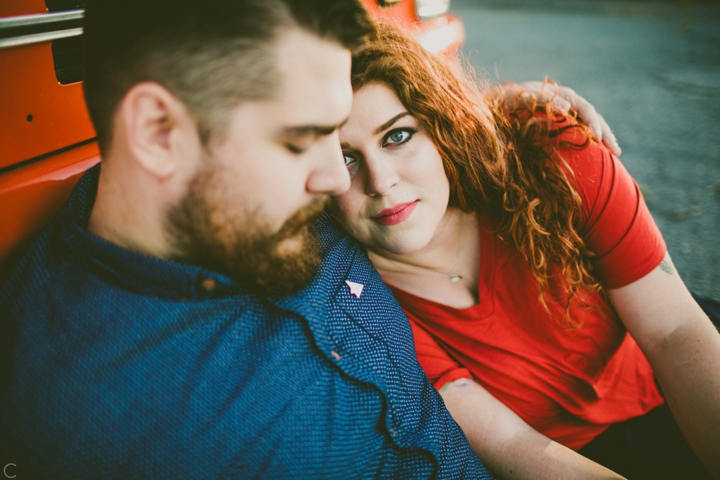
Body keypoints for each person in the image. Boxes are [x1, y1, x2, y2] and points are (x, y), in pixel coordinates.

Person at [0, 1, 495, 478]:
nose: (337, 180)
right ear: (157, 132)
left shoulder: (284, 197)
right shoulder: (70, 422)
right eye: (300, 139)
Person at [329, 23, 720, 480]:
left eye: (397, 136)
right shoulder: (357, 304)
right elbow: (511, 442)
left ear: (438, 126)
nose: (381, 181)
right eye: (345, 158)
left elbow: (673, 330)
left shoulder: (551, 152)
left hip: (683, 374)